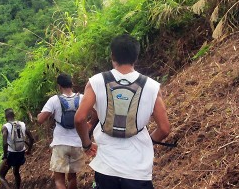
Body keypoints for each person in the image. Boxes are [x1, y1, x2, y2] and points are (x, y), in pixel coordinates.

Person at [74, 34, 171, 189]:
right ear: (136, 57)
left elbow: (79, 119)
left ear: (112, 55)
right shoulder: (152, 86)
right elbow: (165, 128)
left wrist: (87, 144)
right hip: (138, 170)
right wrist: (147, 142)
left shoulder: (96, 81)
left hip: (106, 167)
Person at [37, 73, 86, 189]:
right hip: (77, 143)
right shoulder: (82, 98)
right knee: (72, 177)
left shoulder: (54, 100)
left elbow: (40, 119)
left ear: (59, 86)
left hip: (60, 144)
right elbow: (95, 112)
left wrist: (42, 114)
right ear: (72, 84)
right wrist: (89, 124)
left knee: (59, 179)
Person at [0, 108, 34, 189]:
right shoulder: (22, 124)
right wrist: (29, 150)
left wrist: (5, 156)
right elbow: (31, 139)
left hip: (11, 153)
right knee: (16, 172)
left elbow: (5, 143)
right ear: (14, 115)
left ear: (5, 117)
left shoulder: (5, 127)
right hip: (21, 152)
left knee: (1, 176)